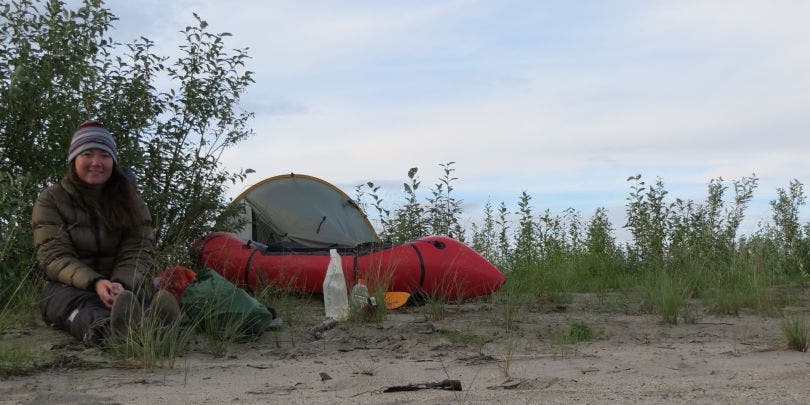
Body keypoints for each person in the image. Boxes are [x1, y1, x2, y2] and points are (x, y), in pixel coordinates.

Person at [33, 120, 180, 344]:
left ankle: (160, 328)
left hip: (122, 287)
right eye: (87, 154)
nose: (96, 162)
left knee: (137, 300)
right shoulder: (51, 199)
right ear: (74, 159)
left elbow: (139, 250)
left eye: (104, 155)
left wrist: (122, 283)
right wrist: (96, 283)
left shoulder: (133, 202)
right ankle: (114, 334)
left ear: (113, 161)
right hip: (69, 288)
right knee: (82, 309)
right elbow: (53, 256)